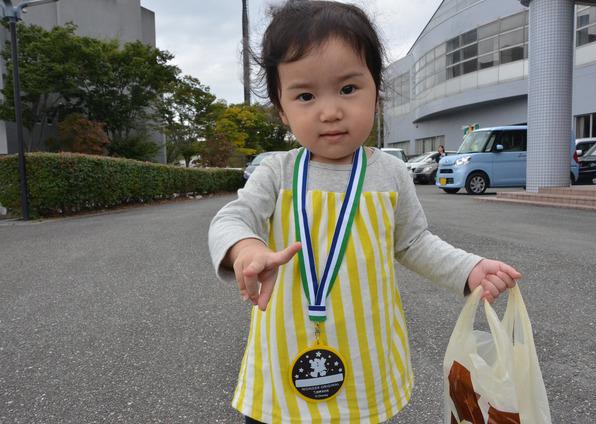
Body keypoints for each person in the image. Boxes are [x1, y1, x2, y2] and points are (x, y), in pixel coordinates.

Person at [208, 2, 521, 422]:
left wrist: (469, 269)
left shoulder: (388, 172)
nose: (330, 110)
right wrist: (245, 248)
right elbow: (232, 217)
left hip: (364, 363)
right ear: (283, 109)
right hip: (283, 362)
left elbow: (413, 242)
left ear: (377, 91)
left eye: (348, 89)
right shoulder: (276, 172)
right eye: (305, 95)